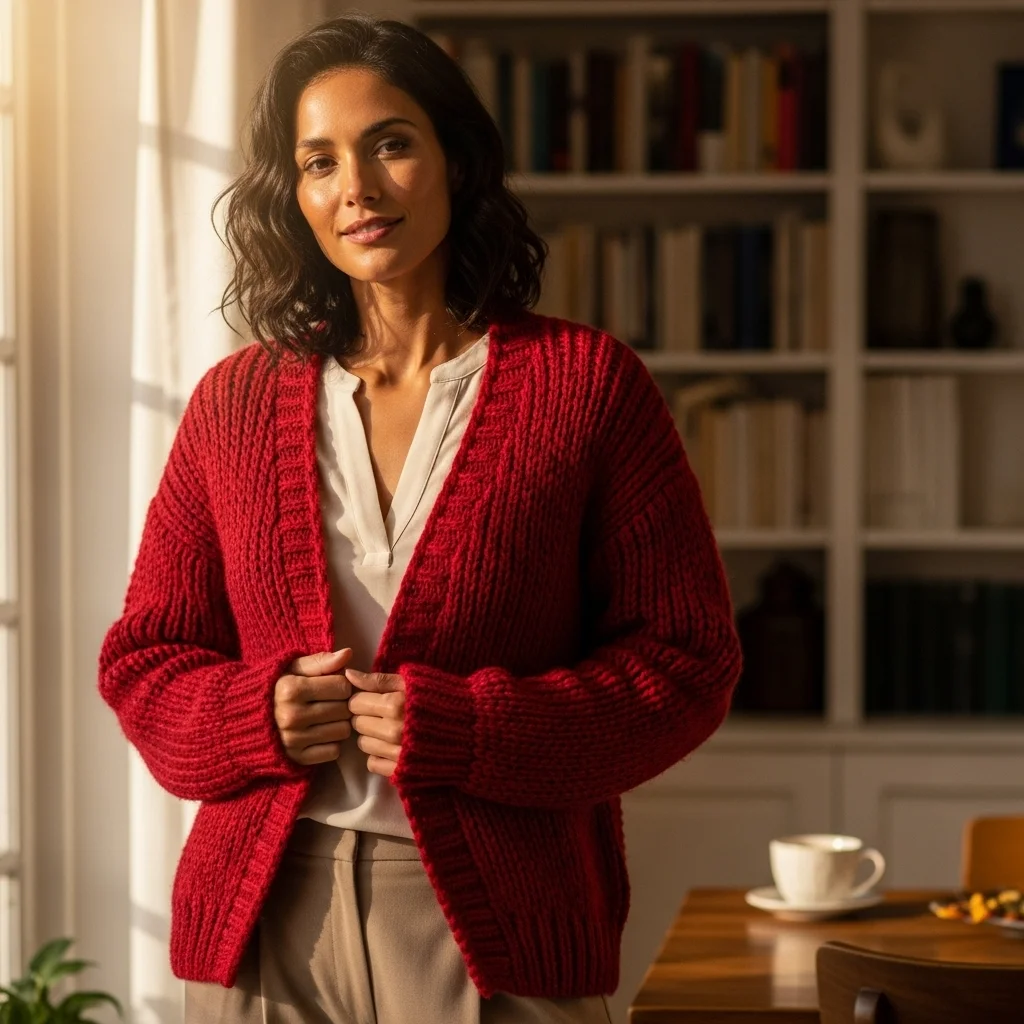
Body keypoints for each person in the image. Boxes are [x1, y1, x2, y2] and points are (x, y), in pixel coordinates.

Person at [98, 13, 742, 1024]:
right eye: (319, 162)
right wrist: (248, 717)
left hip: (497, 928)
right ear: (295, 194)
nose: (355, 186)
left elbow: (685, 662)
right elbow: (146, 659)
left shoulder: (585, 387)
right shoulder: (234, 402)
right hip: (267, 918)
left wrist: (477, 730)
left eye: (389, 143)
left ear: (454, 158)